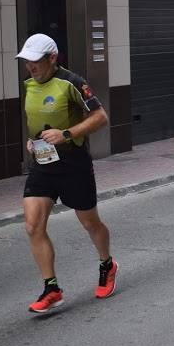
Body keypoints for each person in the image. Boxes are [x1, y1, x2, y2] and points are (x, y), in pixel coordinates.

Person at [16, 34, 117, 313]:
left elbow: (100, 117)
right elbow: (37, 122)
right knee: (33, 225)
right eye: (27, 62)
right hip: (43, 165)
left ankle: (107, 264)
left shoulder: (72, 83)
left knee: (90, 223)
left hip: (73, 164)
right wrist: (32, 141)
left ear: (52, 58)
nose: (30, 67)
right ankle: (52, 288)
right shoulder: (29, 85)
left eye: (36, 61)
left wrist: (67, 134)